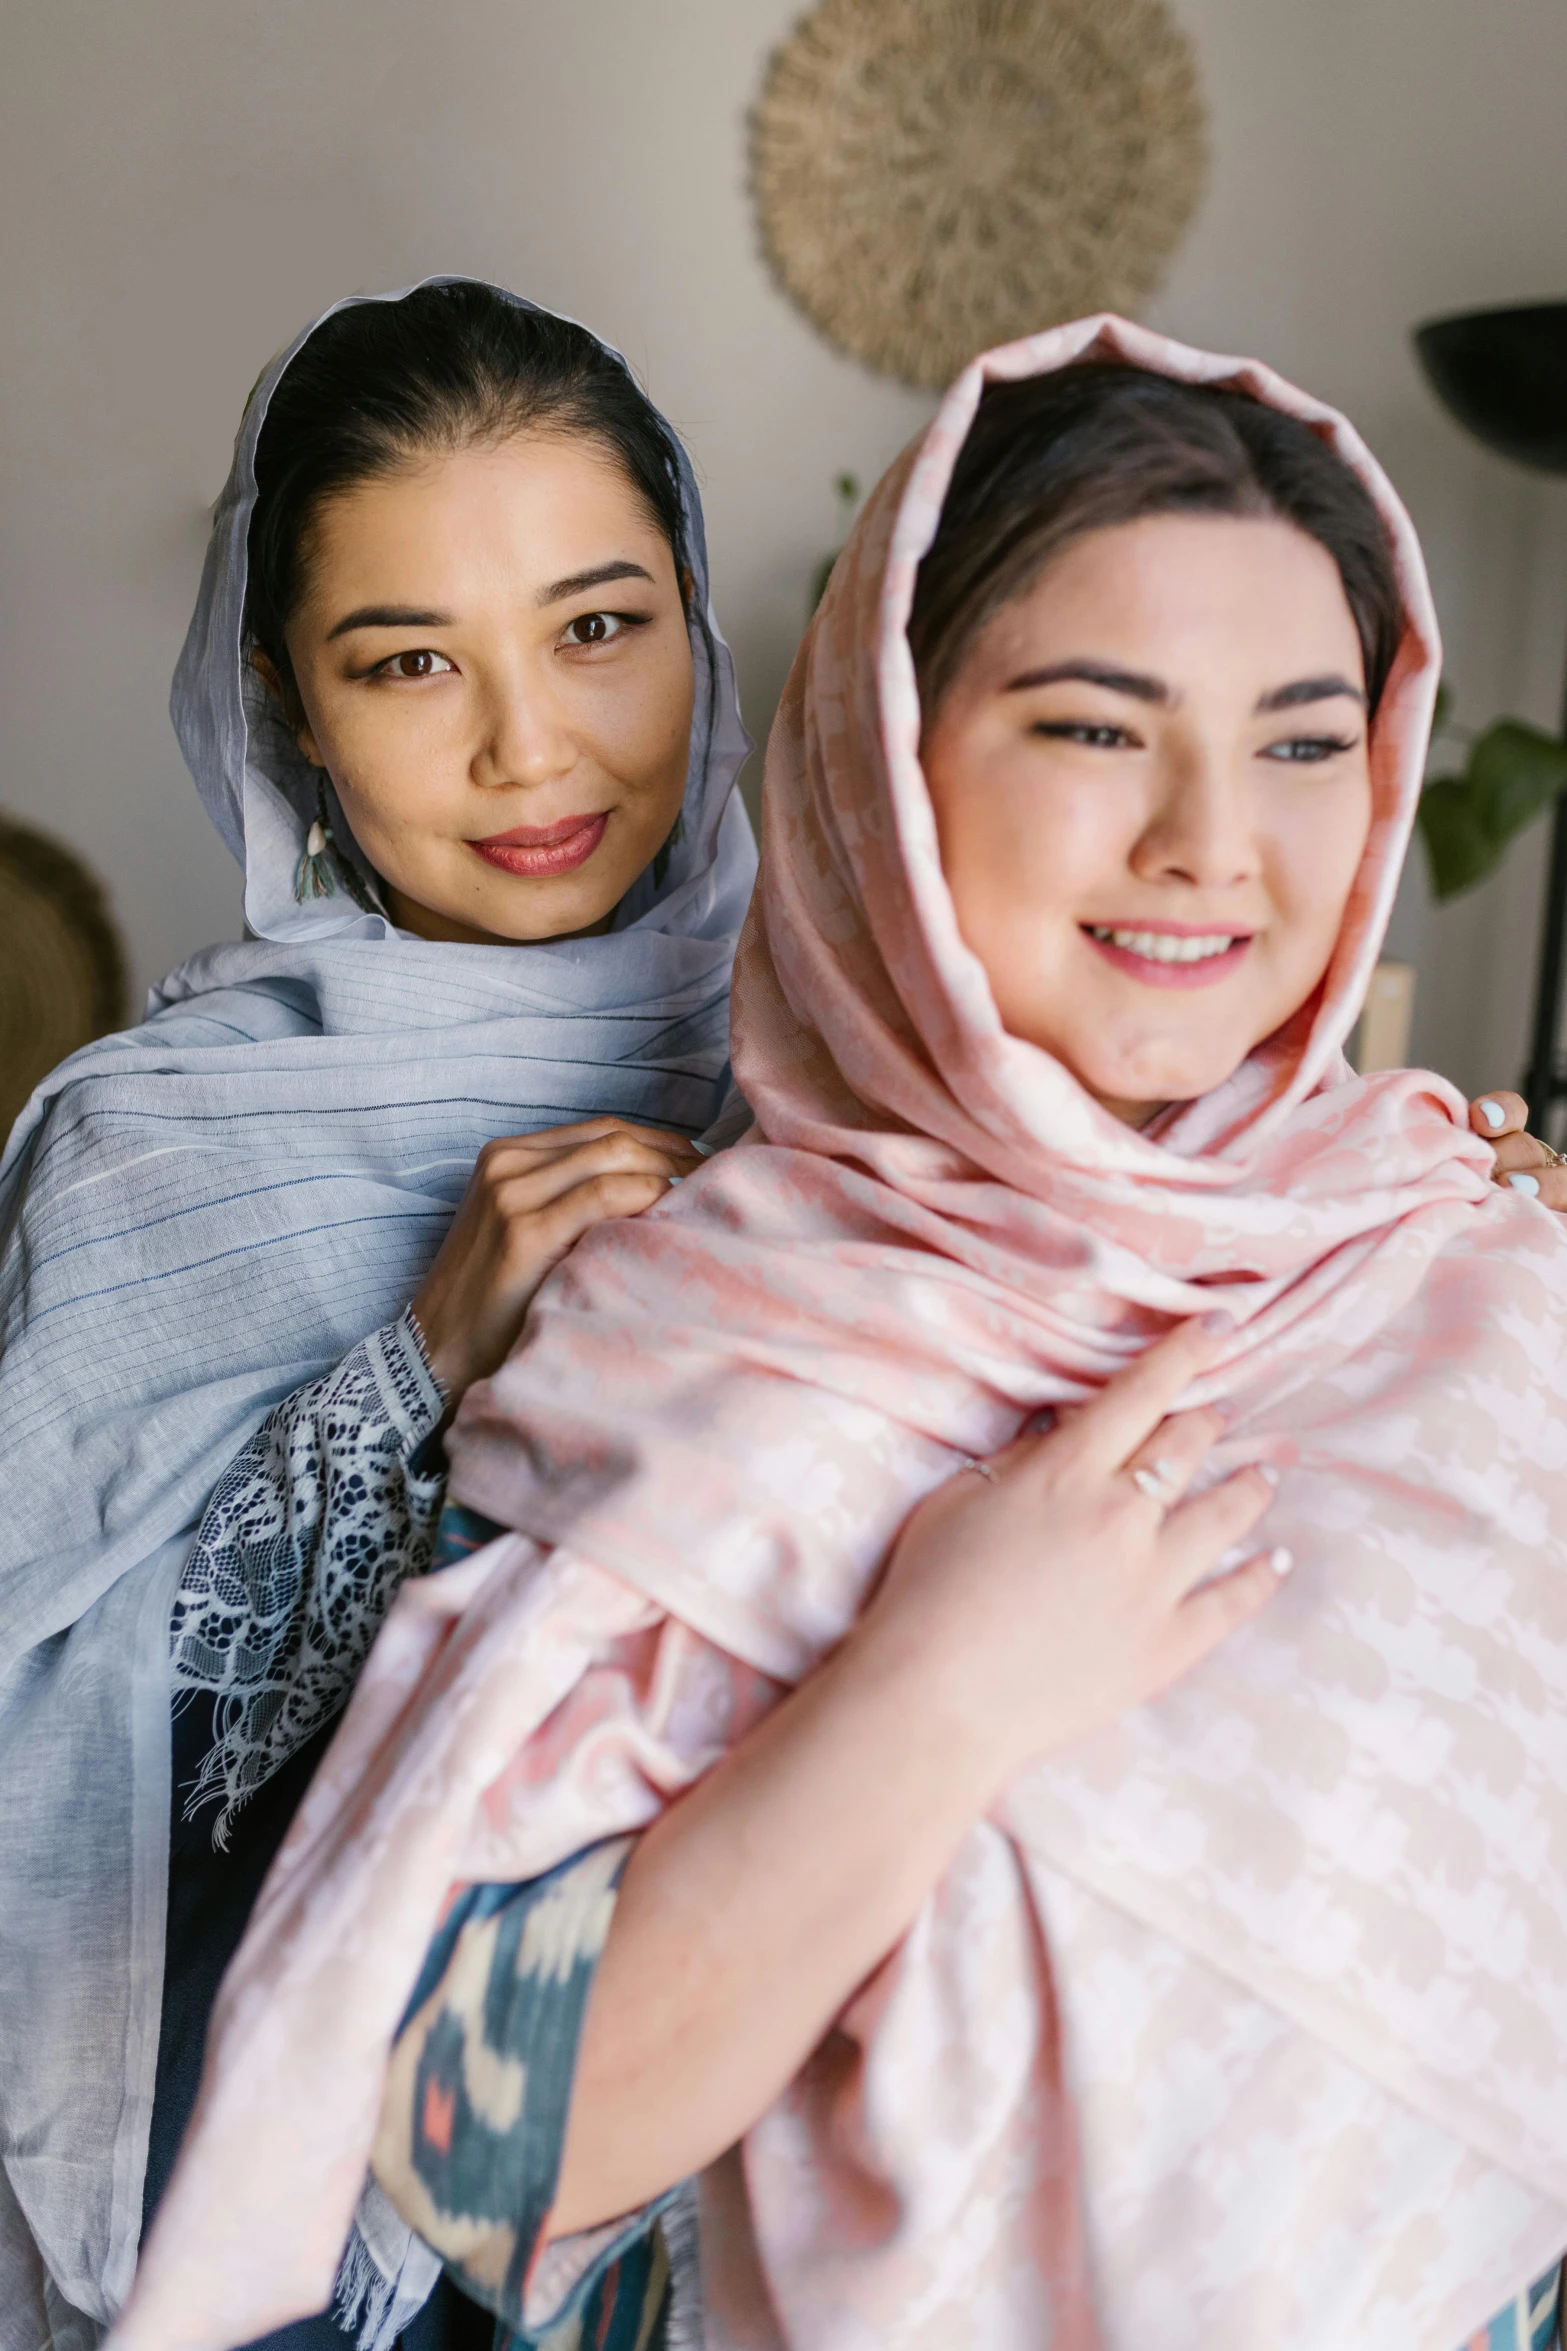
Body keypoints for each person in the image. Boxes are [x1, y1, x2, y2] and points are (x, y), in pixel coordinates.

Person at [115, 319, 1567, 2351]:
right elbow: (455, 2141)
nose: (1212, 842)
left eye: (1306, 739)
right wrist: (939, 1688)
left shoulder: (1480, 1283)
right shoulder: (686, 1325)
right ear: (878, 762)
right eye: (1091, 726)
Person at [0, 274, 759, 2349]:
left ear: (697, 620)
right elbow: (75, 1774)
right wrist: (415, 1365)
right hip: (318, 2247)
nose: (530, 745)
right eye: (409, 661)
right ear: (288, 711)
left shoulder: (881, 1044)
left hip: (808, 2181)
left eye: (599, 627)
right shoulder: (158, 1147)